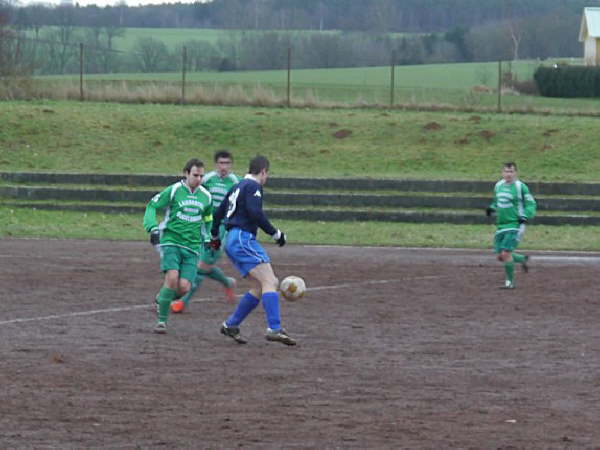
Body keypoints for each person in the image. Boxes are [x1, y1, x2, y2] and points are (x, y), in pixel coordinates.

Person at [210, 155, 296, 346]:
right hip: (243, 238)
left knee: (259, 286)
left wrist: (215, 237)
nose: (266, 178)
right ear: (263, 171)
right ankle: (274, 328)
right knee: (270, 281)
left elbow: (217, 214)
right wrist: (276, 234)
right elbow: (255, 212)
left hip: (231, 240)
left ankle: (231, 325)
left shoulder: (236, 187)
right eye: (267, 174)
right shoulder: (253, 186)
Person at [143, 158, 213, 334]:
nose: (198, 179)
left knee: (184, 288)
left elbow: (208, 219)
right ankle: (162, 322)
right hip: (171, 242)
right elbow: (152, 205)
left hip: (192, 247)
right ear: (186, 173)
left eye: (201, 176)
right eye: (195, 175)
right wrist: (152, 228)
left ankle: (162, 298)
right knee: (172, 279)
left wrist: (207, 236)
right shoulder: (174, 190)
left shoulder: (206, 196)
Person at [171, 150, 240, 313]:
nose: (224, 166)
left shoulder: (236, 182)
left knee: (201, 266)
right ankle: (227, 282)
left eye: (227, 163)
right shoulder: (207, 179)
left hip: (222, 228)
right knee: (203, 264)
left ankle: (183, 301)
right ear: (216, 164)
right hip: (204, 226)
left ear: (231, 165)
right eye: (221, 163)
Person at [486, 162, 537, 289]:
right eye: (506, 171)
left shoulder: (521, 187)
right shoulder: (498, 185)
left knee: (505, 254)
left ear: (515, 173)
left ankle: (509, 283)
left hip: (515, 224)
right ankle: (522, 259)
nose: (508, 174)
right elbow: (497, 202)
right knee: (500, 256)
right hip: (501, 225)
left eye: (511, 171)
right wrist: (491, 208)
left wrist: (526, 215)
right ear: (502, 173)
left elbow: (531, 204)